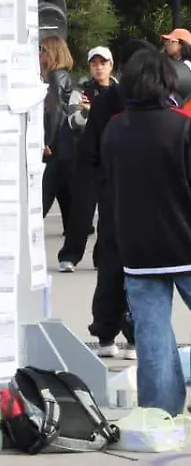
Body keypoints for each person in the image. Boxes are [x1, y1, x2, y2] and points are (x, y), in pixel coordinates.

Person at [101, 49, 191, 417]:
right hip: (185, 241)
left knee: (152, 338)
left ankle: (160, 415)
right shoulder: (182, 127)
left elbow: (108, 182)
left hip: (138, 247)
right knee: (154, 337)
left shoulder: (114, 130)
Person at [79, 40, 150, 361]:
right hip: (147, 196)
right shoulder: (156, 102)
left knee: (110, 264)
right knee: (141, 268)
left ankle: (105, 333)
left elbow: (89, 152)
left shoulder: (106, 101)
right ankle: (134, 335)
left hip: (112, 194)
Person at [59, 47, 116, 272]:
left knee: (109, 213)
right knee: (81, 211)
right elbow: (73, 122)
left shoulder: (120, 91)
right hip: (86, 159)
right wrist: (86, 112)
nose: (99, 67)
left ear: (111, 65)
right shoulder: (81, 91)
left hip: (112, 159)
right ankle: (70, 255)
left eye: (103, 63)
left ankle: (102, 257)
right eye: (94, 63)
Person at [39, 36, 77, 243]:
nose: (39, 54)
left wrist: (47, 141)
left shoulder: (56, 77)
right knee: (64, 189)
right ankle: (74, 227)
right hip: (63, 143)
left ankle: (33, 222)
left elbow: (54, 113)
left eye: (43, 51)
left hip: (56, 143)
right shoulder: (59, 76)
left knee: (46, 189)